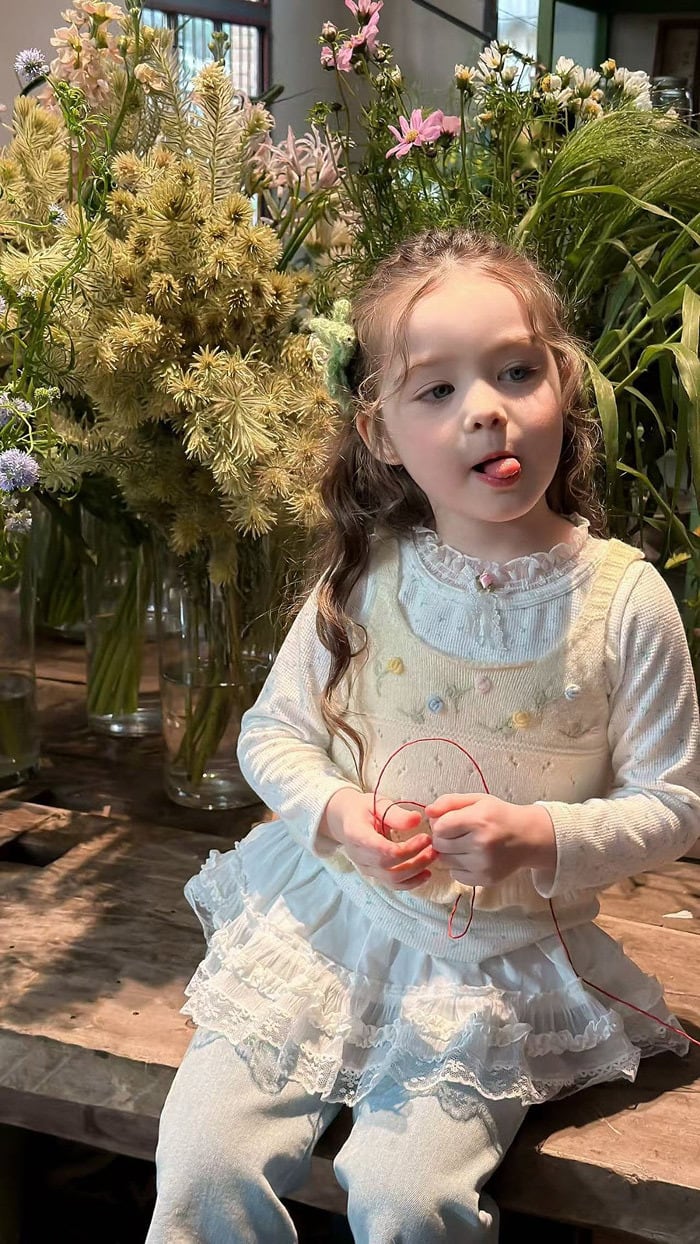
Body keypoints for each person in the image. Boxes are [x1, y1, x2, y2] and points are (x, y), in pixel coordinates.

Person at [146, 228, 700, 1244]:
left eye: (515, 370)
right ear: (383, 433)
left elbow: (674, 804)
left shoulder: (624, 602)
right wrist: (339, 814)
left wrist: (540, 835)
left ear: (563, 383)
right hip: (326, 928)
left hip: (489, 973)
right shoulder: (367, 575)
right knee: (203, 1161)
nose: (485, 407)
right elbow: (273, 733)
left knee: (407, 1201)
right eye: (436, 389)